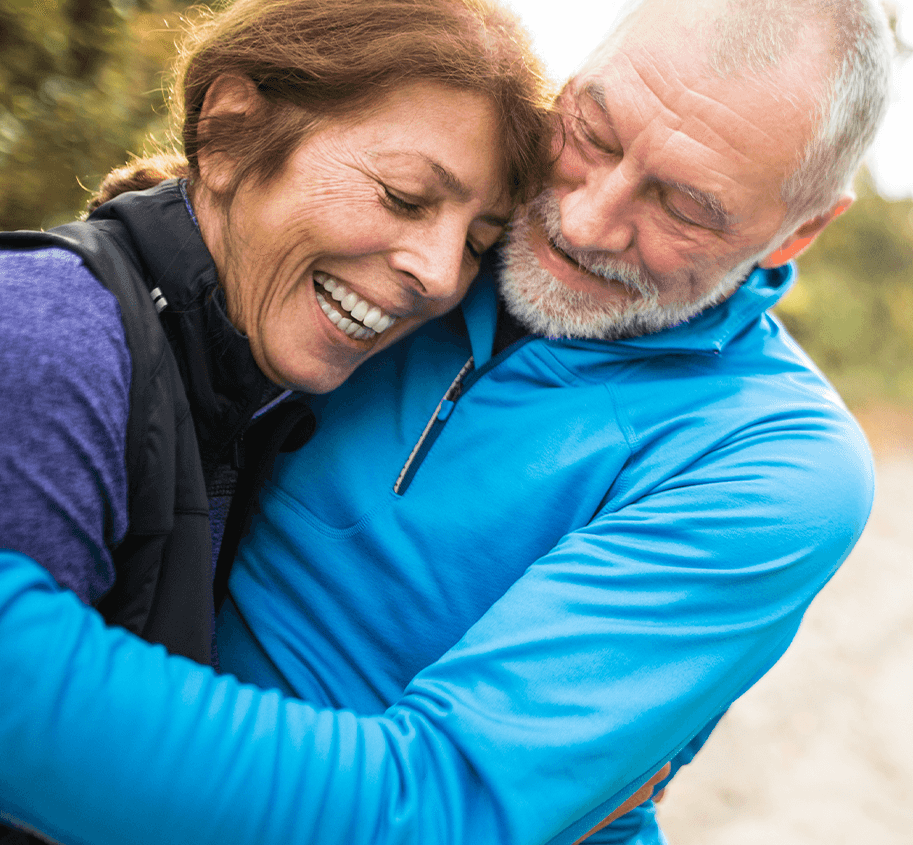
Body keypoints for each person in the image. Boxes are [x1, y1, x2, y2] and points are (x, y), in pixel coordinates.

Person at [0, 0, 891, 844]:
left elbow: (434, 811)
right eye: (592, 133)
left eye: (684, 206)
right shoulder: (431, 232)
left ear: (795, 233)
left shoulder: (772, 460)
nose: (583, 221)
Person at [0, 0, 548, 671]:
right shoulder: (50, 341)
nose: (439, 275)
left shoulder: (252, 395)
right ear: (230, 132)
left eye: (476, 241)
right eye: (404, 196)